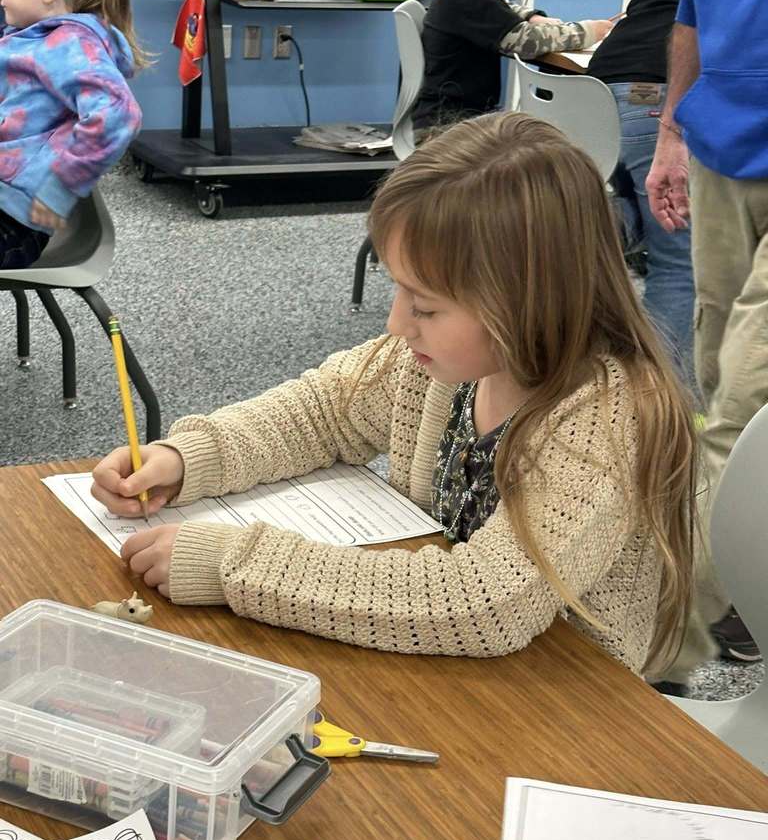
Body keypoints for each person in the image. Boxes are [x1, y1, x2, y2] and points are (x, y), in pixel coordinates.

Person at [92, 112, 696, 679]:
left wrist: (235, 563)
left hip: (562, 696)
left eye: (426, 305)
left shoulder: (610, 415)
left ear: (527, 302)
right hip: (439, 659)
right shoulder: (445, 361)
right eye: (399, 290)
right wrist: (189, 459)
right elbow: (323, 410)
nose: (396, 322)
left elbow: (486, 602)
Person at [646, 0, 768, 674]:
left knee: (746, 399)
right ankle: (741, 577)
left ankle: (674, 628)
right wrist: (670, 133)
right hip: (721, 150)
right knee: (717, 377)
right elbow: (691, 19)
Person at [588, 0, 696, 395]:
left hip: (596, 89)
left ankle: (564, 242)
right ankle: (657, 397)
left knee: (626, 220)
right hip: (650, 96)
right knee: (678, 261)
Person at [0, 0, 144, 270]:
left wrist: (60, 188)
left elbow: (118, 115)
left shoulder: (70, 45)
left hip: (11, 222)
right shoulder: (29, 36)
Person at [411, 0, 613, 132]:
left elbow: (500, 5)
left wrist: (531, 16)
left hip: (451, 117)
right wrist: (588, 31)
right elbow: (526, 41)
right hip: (448, 127)